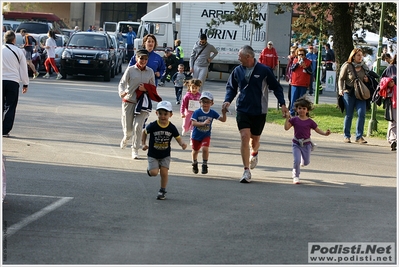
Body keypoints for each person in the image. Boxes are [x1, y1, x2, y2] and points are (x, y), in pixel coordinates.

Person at [223, 45, 289, 183]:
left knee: (255, 140)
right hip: (242, 109)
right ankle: (246, 171)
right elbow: (231, 88)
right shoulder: (237, 71)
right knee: (244, 137)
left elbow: (276, 87)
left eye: (240, 56)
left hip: (259, 110)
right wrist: (227, 101)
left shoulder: (264, 70)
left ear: (248, 57)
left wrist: (282, 104)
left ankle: (255, 152)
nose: (238, 58)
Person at [119, 49, 162, 159]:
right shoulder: (130, 70)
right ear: (137, 58)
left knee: (138, 126)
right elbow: (122, 83)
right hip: (129, 101)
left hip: (143, 103)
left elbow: (153, 88)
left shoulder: (150, 72)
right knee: (129, 130)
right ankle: (126, 137)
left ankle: (135, 149)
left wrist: (145, 89)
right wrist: (122, 92)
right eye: (141, 58)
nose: (143, 61)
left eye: (145, 59)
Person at [142, 101, 187, 200]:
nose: (163, 116)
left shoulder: (171, 127)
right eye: (160, 113)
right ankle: (151, 169)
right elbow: (144, 132)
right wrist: (143, 144)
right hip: (153, 154)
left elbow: (177, 137)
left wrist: (182, 144)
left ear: (170, 114)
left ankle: (162, 190)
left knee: (164, 172)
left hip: (165, 154)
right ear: (156, 113)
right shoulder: (153, 125)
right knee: (154, 173)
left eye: (165, 114)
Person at [284, 96, 331, 184]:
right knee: (296, 160)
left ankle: (305, 156)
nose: (301, 110)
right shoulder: (294, 120)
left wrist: (325, 133)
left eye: (304, 108)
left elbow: (317, 130)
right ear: (296, 109)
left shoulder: (310, 122)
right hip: (296, 143)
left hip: (306, 144)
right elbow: (286, 128)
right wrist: (287, 118)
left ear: (307, 110)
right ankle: (296, 176)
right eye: (299, 108)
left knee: (306, 162)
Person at [338, 48, 370, 144]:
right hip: (349, 93)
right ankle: (346, 136)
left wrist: (367, 80)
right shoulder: (347, 66)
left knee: (362, 113)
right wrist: (340, 89)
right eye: (358, 55)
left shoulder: (364, 67)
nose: (360, 57)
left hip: (360, 94)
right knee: (349, 114)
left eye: (361, 55)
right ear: (353, 57)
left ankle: (359, 136)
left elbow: (369, 78)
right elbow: (341, 79)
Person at [190, 91, 227, 175]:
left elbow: (223, 120)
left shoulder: (212, 112)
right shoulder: (197, 112)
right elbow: (193, 123)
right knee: (195, 151)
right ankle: (194, 163)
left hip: (206, 135)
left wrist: (224, 113)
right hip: (196, 135)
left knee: (205, 148)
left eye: (208, 102)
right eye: (203, 101)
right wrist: (202, 123)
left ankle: (204, 164)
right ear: (200, 102)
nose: (205, 104)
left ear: (212, 103)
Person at [2, 30, 30, 137]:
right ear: (14, 39)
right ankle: (5, 130)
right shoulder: (19, 51)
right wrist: (25, 83)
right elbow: (23, 69)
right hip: (13, 81)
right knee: (10, 106)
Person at [289, 47, 313, 116]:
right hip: (295, 83)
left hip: (303, 84)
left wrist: (305, 67)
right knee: (294, 100)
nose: (300, 56)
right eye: (299, 54)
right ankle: (292, 114)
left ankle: (301, 114)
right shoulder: (295, 60)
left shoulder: (308, 62)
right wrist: (297, 63)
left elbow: (310, 72)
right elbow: (292, 69)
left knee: (302, 101)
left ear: (305, 55)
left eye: (302, 55)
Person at [378, 77, 397, 151]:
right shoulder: (387, 90)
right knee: (393, 123)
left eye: (393, 81)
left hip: (394, 106)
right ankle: (393, 140)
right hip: (392, 107)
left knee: (394, 123)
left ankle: (393, 140)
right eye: (390, 81)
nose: (392, 82)